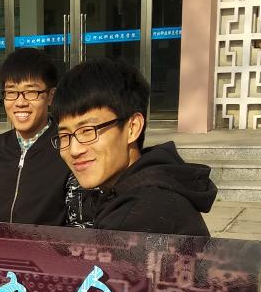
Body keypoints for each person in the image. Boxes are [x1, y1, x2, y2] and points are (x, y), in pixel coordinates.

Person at [50, 59, 216, 236]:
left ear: (132, 128)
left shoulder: (139, 218)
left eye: (88, 131)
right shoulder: (143, 191)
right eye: (65, 135)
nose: (74, 150)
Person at [0, 49, 84, 225]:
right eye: (11, 92)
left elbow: (80, 223)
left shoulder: (69, 150)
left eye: (31, 92)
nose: (20, 102)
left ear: (51, 96)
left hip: (42, 244)